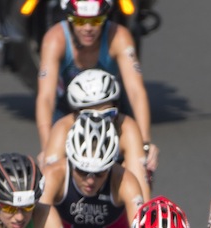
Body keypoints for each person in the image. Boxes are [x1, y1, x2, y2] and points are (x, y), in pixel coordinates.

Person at [35, 0, 157, 174]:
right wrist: (47, 147)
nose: (88, 28)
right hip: (70, 111)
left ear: (105, 18)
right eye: (80, 21)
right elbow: (46, 97)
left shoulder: (119, 36)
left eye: (96, 21)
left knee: (141, 164)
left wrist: (145, 143)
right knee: (54, 169)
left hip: (111, 111)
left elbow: (136, 91)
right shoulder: (55, 39)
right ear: (69, 19)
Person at [42, 68, 150, 197]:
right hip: (73, 195)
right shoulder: (63, 128)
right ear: (76, 114)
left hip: (113, 193)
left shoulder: (126, 128)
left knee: (143, 166)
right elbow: (49, 183)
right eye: (89, 115)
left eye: (108, 114)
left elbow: (141, 186)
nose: (99, 121)